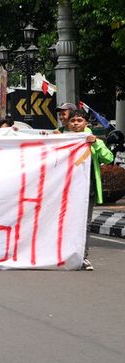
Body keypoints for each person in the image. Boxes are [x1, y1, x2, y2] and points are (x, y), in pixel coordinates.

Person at [65, 108, 114, 269]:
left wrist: (95, 145)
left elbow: (108, 158)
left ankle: (83, 257)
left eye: (79, 120)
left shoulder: (95, 141)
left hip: (87, 190)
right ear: (68, 123)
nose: (76, 124)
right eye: (73, 121)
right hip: (64, 189)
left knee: (84, 224)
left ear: (86, 122)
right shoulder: (61, 140)